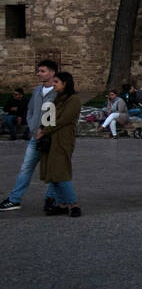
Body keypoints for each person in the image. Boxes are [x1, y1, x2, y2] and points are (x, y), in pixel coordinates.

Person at [0, 60, 60, 213]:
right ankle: (14, 199)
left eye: (42, 71)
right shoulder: (36, 90)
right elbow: (31, 109)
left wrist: (45, 130)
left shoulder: (59, 92)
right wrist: (33, 126)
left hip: (51, 138)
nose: (38, 73)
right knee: (26, 168)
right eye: (38, 71)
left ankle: (51, 199)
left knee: (52, 170)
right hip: (35, 137)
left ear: (52, 73)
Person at [39, 71, 83, 217]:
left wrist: (45, 131)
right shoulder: (57, 98)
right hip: (53, 140)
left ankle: (74, 204)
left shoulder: (74, 100)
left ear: (65, 83)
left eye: (56, 82)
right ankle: (61, 204)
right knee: (54, 172)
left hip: (63, 141)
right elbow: (48, 116)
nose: (53, 84)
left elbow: (64, 119)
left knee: (61, 173)